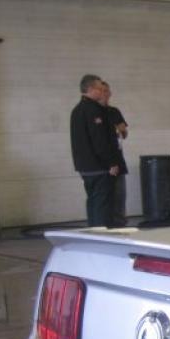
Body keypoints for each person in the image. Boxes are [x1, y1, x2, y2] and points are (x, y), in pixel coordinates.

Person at [70, 74, 120, 226]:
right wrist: (111, 162)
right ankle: (102, 237)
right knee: (102, 206)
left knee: (93, 202)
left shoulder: (77, 110)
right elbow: (99, 140)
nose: (103, 92)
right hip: (98, 167)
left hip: (85, 167)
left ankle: (93, 232)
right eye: (100, 88)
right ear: (91, 89)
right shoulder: (93, 110)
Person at [99, 80, 129, 227]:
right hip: (102, 163)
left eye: (107, 91)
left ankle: (120, 225)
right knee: (105, 197)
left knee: (120, 195)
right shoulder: (94, 112)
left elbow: (124, 133)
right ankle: (104, 226)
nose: (106, 94)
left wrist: (121, 130)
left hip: (117, 158)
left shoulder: (114, 112)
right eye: (103, 91)